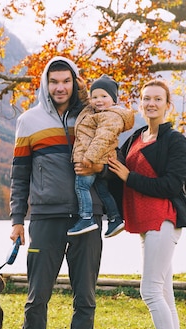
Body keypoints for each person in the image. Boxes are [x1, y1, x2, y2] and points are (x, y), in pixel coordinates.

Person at [6, 56, 104, 329]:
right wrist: (17, 219)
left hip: (87, 217)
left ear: (75, 82)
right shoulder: (29, 121)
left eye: (66, 81)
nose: (60, 87)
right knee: (37, 296)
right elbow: (19, 175)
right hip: (45, 218)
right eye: (54, 81)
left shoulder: (90, 115)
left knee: (85, 296)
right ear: (45, 84)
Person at [107, 79, 186, 329]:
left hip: (163, 220)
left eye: (158, 99)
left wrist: (129, 177)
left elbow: (172, 185)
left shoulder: (175, 140)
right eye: (146, 99)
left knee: (149, 291)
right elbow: (114, 168)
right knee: (165, 294)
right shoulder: (135, 137)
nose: (151, 104)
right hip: (145, 224)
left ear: (167, 105)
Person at [68, 75, 134, 238]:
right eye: (95, 96)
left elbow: (102, 138)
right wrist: (83, 90)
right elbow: (86, 104)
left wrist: (89, 158)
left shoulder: (111, 116)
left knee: (82, 186)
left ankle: (86, 218)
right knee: (102, 191)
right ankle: (115, 218)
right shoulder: (95, 111)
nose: (98, 100)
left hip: (93, 160)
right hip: (99, 159)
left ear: (113, 100)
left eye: (104, 96)